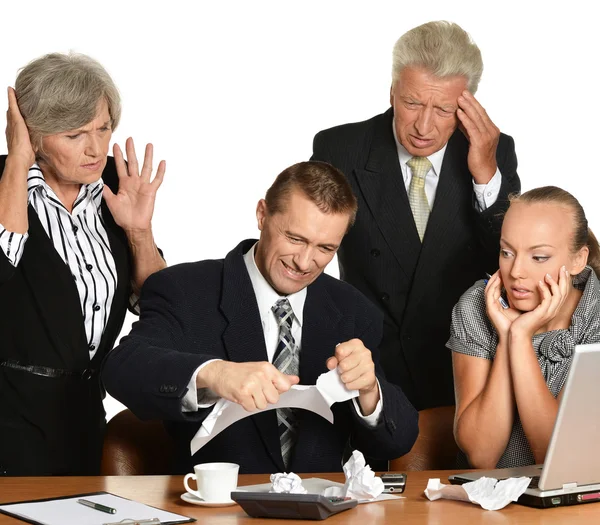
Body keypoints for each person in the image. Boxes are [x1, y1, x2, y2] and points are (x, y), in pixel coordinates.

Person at [102, 161, 418, 475]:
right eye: (295, 238)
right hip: (218, 510)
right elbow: (122, 369)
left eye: (325, 248)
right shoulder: (185, 289)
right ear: (262, 215)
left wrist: (370, 391)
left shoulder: (354, 311)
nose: (305, 262)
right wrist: (214, 375)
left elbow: (397, 443)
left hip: (325, 513)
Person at [311, 21, 521, 410]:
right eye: (411, 103)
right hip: (367, 365)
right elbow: (308, 250)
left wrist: (486, 175)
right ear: (392, 91)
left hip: (464, 364)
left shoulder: (495, 151)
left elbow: (510, 265)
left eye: (443, 109)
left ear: (467, 105)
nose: (424, 126)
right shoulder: (340, 148)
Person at [0, 53, 166, 475]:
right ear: (32, 135)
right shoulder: (5, 187)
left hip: (86, 420)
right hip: (8, 424)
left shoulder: (116, 184)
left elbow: (162, 307)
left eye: (104, 128)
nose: (96, 149)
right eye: (75, 134)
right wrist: (17, 165)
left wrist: (139, 231)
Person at [449, 187, 600, 468]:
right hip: (486, 504)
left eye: (539, 257)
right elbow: (482, 456)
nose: (516, 271)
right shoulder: (476, 305)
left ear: (578, 259)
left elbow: (558, 460)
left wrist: (519, 336)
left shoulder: (595, 315)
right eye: (507, 252)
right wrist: (508, 338)